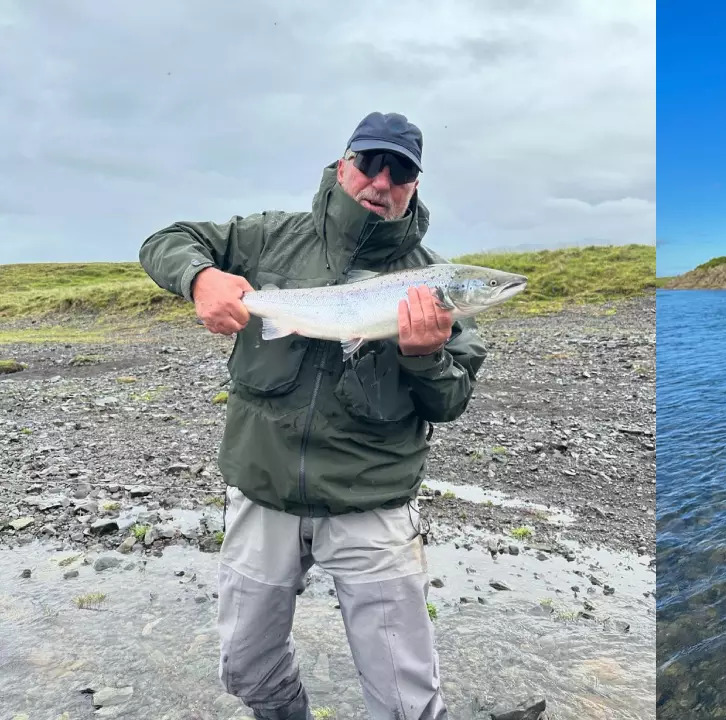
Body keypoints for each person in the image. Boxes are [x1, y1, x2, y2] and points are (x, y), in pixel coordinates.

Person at [139, 112, 532, 720]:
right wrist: (200, 278)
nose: (381, 180)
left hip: (372, 501)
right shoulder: (269, 237)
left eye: (399, 170)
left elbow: (451, 402)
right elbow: (165, 240)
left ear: (414, 186)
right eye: (369, 163)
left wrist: (425, 356)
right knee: (245, 668)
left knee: (406, 702)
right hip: (263, 493)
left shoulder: (434, 279)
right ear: (342, 165)